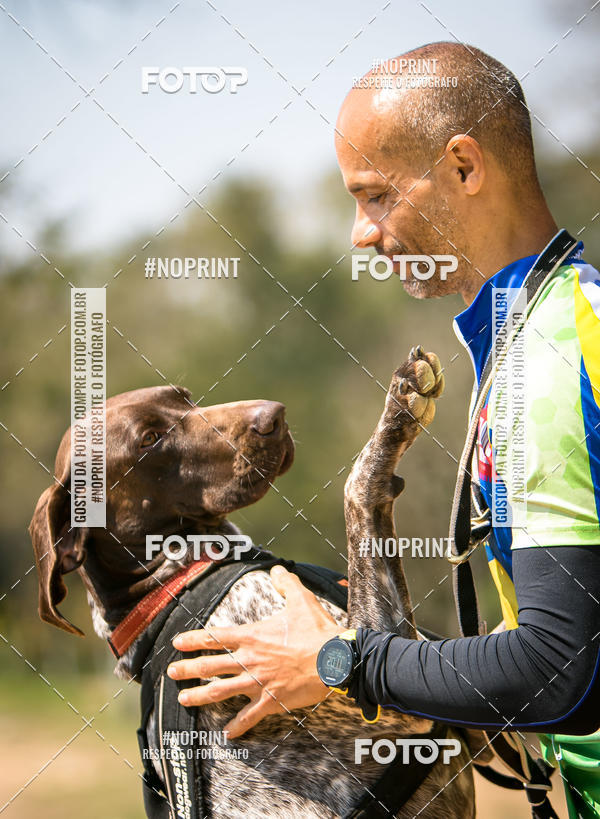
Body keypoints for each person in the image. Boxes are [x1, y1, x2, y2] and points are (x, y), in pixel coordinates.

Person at [166, 43, 600, 817]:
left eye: (375, 196)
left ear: (464, 167)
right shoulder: (547, 326)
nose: (360, 235)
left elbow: (557, 668)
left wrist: (334, 660)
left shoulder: (551, 355)